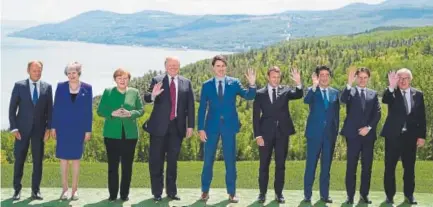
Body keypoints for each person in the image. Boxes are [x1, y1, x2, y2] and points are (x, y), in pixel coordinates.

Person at [198, 55, 256, 203]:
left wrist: (252, 84)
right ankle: (205, 191)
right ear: (213, 68)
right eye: (218, 66)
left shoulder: (234, 83)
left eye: (223, 66)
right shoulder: (207, 85)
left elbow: (249, 96)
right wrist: (200, 129)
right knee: (208, 161)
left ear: (226, 67)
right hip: (210, 128)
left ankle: (232, 193)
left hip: (229, 128)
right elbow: (202, 108)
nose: (221, 68)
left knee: (230, 162)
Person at [143, 57, 195, 201]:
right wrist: (153, 95)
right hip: (158, 128)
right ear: (165, 66)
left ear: (179, 67)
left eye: (176, 65)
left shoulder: (186, 83)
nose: (173, 68)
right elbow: (146, 98)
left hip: (177, 129)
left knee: (172, 162)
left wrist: (190, 125)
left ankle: (171, 192)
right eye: (170, 65)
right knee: (156, 161)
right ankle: (157, 193)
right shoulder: (157, 80)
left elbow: (190, 106)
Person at [252, 66, 303, 204]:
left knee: (280, 165)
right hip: (265, 135)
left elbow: (298, 95)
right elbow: (256, 116)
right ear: (268, 77)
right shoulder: (260, 93)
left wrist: (298, 83)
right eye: (273, 77)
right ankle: (262, 194)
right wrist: (258, 135)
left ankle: (278, 193)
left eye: (278, 77)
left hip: (282, 134)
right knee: (264, 165)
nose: (276, 79)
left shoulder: (285, 90)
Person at [97, 68, 144, 202]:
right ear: (115, 80)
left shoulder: (134, 92)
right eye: (119, 78)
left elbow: (141, 110)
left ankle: (124, 195)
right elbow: (100, 110)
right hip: (111, 135)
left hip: (130, 136)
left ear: (128, 79)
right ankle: (112, 194)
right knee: (112, 166)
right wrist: (112, 113)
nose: (122, 80)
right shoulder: (108, 92)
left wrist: (131, 114)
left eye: (125, 78)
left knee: (127, 166)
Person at [8, 60, 53, 200]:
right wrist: (14, 128)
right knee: (19, 160)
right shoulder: (19, 86)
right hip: (21, 131)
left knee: (38, 161)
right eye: (34, 70)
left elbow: (50, 110)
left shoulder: (47, 87)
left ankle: (36, 191)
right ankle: (17, 190)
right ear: (28, 71)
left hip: (39, 131)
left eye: (39, 70)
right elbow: (12, 109)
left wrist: (48, 128)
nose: (37, 73)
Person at [381, 68, 426, 205]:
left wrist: (421, 136)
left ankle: (409, 195)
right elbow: (385, 99)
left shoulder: (418, 94)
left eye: (406, 78)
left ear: (410, 79)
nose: (403, 80)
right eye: (400, 78)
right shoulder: (392, 93)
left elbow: (422, 117)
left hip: (410, 138)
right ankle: (389, 196)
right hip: (393, 137)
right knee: (389, 168)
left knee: (409, 169)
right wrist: (391, 86)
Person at [51, 62, 93, 200]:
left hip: (79, 129)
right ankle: (64, 190)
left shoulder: (87, 88)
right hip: (62, 128)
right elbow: (55, 108)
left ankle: (75, 190)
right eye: (68, 73)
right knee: (63, 160)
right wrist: (53, 126)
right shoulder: (61, 87)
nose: (71, 75)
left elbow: (88, 111)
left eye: (73, 72)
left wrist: (88, 130)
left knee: (75, 160)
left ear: (79, 73)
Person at [340, 67, 381, 204]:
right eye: (360, 77)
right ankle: (350, 196)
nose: (362, 80)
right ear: (356, 78)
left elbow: (377, 114)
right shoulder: (350, 91)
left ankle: (364, 194)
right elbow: (343, 99)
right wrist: (349, 84)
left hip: (368, 136)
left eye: (365, 77)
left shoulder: (373, 94)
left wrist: (368, 128)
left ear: (368, 79)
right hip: (352, 135)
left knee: (367, 166)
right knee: (351, 166)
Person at [303, 65, 340, 204]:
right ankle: (307, 195)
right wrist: (313, 86)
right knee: (311, 165)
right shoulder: (312, 91)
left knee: (326, 167)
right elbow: (306, 100)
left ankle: (325, 195)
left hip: (329, 136)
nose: (324, 77)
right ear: (318, 77)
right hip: (314, 135)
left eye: (326, 75)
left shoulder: (335, 93)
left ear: (329, 77)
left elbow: (336, 116)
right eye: (321, 75)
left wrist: (335, 133)